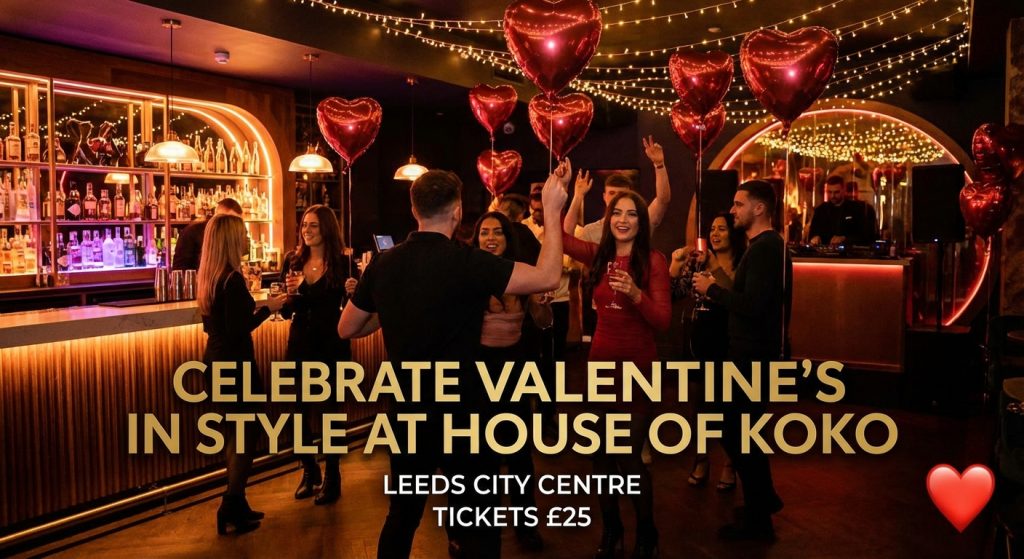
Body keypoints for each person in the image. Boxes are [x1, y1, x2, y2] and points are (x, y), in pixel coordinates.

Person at [338, 164, 571, 559]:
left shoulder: (384, 263)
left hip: (407, 411)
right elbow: (549, 276)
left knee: (403, 515)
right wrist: (551, 209)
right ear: (458, 210)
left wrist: (393, 312)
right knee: (476, 517)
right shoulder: (468, 262)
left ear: (414, 209)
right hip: (462, 413)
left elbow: (347, 328)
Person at [561, 188, 672, 559]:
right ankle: (611, 531)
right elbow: (560, 236)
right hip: (601, 367)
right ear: (609, 220)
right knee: (601, 458)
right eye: (617, 213)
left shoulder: (653, 260)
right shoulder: (599, 255)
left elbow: (663, 321)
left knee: (628, 456)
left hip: (638, 369)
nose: (623, 220)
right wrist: (572, 195)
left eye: (632, 213)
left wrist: (637, 295)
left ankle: (647, 533)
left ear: (642, 222)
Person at [445, 211, 552, 556]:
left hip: (514, 371)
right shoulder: (468, 276)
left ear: (508, 239)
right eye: (484, 233)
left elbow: (543, 322)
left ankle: (525, 525)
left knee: (519, 456)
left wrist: (540, 302)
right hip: (476, 373)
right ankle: (467, 529)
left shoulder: (522, 275)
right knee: (475, 458)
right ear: (476, 240)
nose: (490, 238)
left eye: (497, 233)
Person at [693, 180, 790, 541]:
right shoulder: (763, 247)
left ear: (759, 208)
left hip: (753, 356)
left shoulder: (766, 248)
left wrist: (713, 291)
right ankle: (761, 504)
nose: (732, 210)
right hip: (749, 353)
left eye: (738, 204)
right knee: (741, 432)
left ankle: (759, 515)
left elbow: (754, 305)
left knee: (737, 431)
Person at [196, 213, 285, 535]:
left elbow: (217, 326)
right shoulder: (232, 280)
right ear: (230, 240)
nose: (247, 239)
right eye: (243, 234)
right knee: (246, 432)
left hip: (216, 360)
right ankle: (231, 503)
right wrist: (269, 308)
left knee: (237, 432)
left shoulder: (210, 277)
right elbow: (239, 328)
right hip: (235, 364)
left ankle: (237, 502)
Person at [281, 205, 358, 506]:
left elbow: (352, 305)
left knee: (330, 414)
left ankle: (333, 476)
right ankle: (309, 469)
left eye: (313, 225)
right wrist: (288, 296)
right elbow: (288, 311)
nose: (307, 231)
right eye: (304, 225)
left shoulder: (343, 262)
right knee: (297, 413)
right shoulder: (293, 260)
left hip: (331, 344)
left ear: (326, 228)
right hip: (300, 342)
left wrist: (354, 291)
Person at [669, 213, 746, 492]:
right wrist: (675, 265)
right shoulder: (699, 262)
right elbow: (673, 293)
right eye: (712, 229)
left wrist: (714, 269)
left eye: (722, 229)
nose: (715, 234)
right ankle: (701, 459)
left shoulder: (742, 263)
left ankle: (730, 464)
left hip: (727, 342)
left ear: (733, 233)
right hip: (699, 340)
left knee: (728, 408)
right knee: (699, 407)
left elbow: (737, 297)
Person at [573, 136, 672, 243]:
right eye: (612, 193)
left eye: (621, 193)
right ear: (604, 197)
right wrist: (577, 196)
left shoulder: (641, 223)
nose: (617, 197)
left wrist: (659, 165)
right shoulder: (589, 232)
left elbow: (662, 200)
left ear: (631, 196)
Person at [171, 198, 243, 270]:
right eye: (230, 220)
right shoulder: (192, 231)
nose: (234, 225)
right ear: (217, 215)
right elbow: (179, 269)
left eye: (238, 222)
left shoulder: (232, 235)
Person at [808, 175, 877, 246]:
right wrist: (815, 238)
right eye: (829, 192)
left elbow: (867, 236)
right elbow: (812, 233)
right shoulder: (821, 210)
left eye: (836, 192)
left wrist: (845, 239)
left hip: (850, 251)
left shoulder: (858, 209)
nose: (832, 196)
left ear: (844, 190)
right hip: (825, 251)